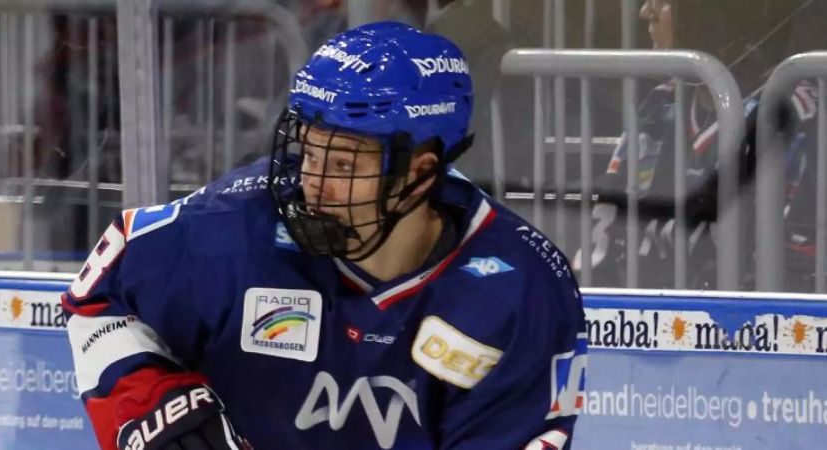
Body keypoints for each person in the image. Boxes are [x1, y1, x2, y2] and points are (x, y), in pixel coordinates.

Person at [63, 21, 587, 450]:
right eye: (309, 152)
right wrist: (151, 411)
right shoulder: (234, 227)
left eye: (343, 164)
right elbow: (101, 295)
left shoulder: (520, 291)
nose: (313, 183)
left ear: (420, 172)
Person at [578, 0, 822, 290]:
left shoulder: (793, 114)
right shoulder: (661, 103)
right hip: (645, 311)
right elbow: (603, 235)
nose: (645, 11)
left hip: (732, 314)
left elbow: (789, 279)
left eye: (664, 1)